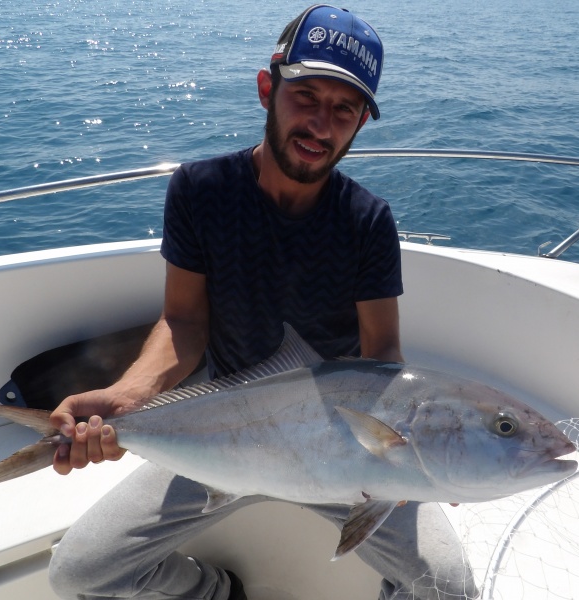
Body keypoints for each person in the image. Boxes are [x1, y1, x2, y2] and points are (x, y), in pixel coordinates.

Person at [47, 5, 476, 600]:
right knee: (79, 571)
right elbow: (185, 320)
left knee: (449, 587)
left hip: (343, 447)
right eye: (307, 96)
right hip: (225, 427)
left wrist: (426, 458)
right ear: (266, 87)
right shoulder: (201, 190)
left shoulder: (367, 221)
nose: (321, 125)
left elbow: (382, 358)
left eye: (344, 109)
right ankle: (216, 593)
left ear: (360, 124)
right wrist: (128, 396)